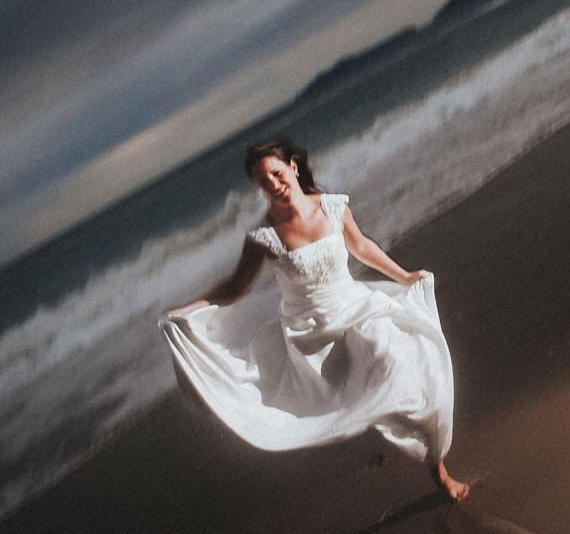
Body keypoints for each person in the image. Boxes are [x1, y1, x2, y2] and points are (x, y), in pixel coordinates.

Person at [158, 138, 469, 502]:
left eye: (275, 173)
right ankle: (392, 436)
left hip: (356, 307)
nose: (273, 184)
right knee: (348, 403)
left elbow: (362, 247)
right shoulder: (264, 236)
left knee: (403, 362)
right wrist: (187, 310)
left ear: (292, 166)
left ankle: (439, 470)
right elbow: (235, 287)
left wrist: (403, 276)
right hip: (310, 333)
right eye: (263, 182)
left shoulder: (332, 207)